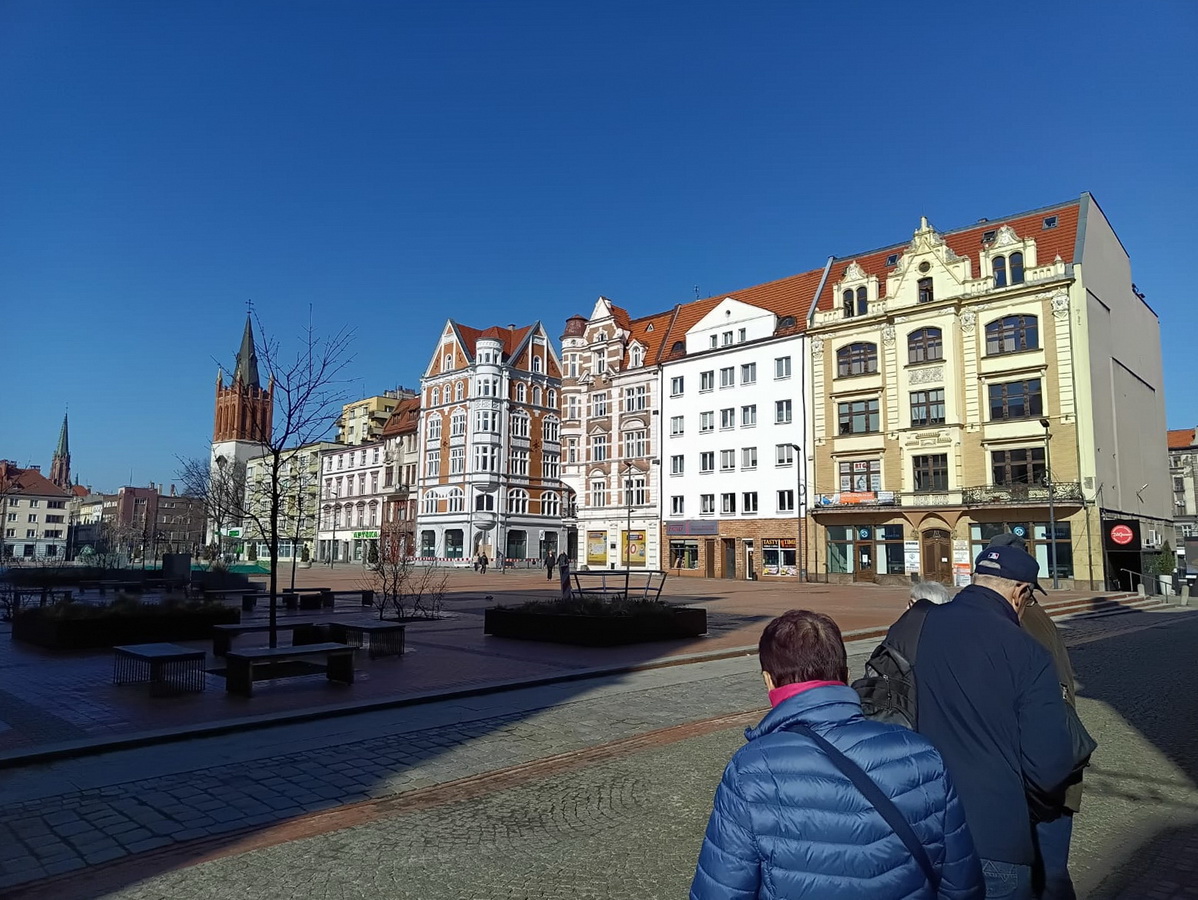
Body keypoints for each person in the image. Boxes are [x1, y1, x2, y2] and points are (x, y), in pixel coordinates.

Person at [691, 609, 983, 900]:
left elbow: (722, 890)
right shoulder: (922, 755)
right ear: (845, 675)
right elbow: (961, 884)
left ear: (768, 681)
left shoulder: (750, 770)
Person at [882, 544, 1075, 899]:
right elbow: (1049, 767)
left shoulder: (914, 626)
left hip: (918, 827)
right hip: (993, 834)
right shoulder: (1029, 652)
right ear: (1020, 592)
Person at [986, 533, 1085, 899]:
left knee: (1040, 876)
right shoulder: (1036, 616)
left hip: (1038, 774)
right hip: (1056, 767)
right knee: (1051, 874)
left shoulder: (1014, 622)